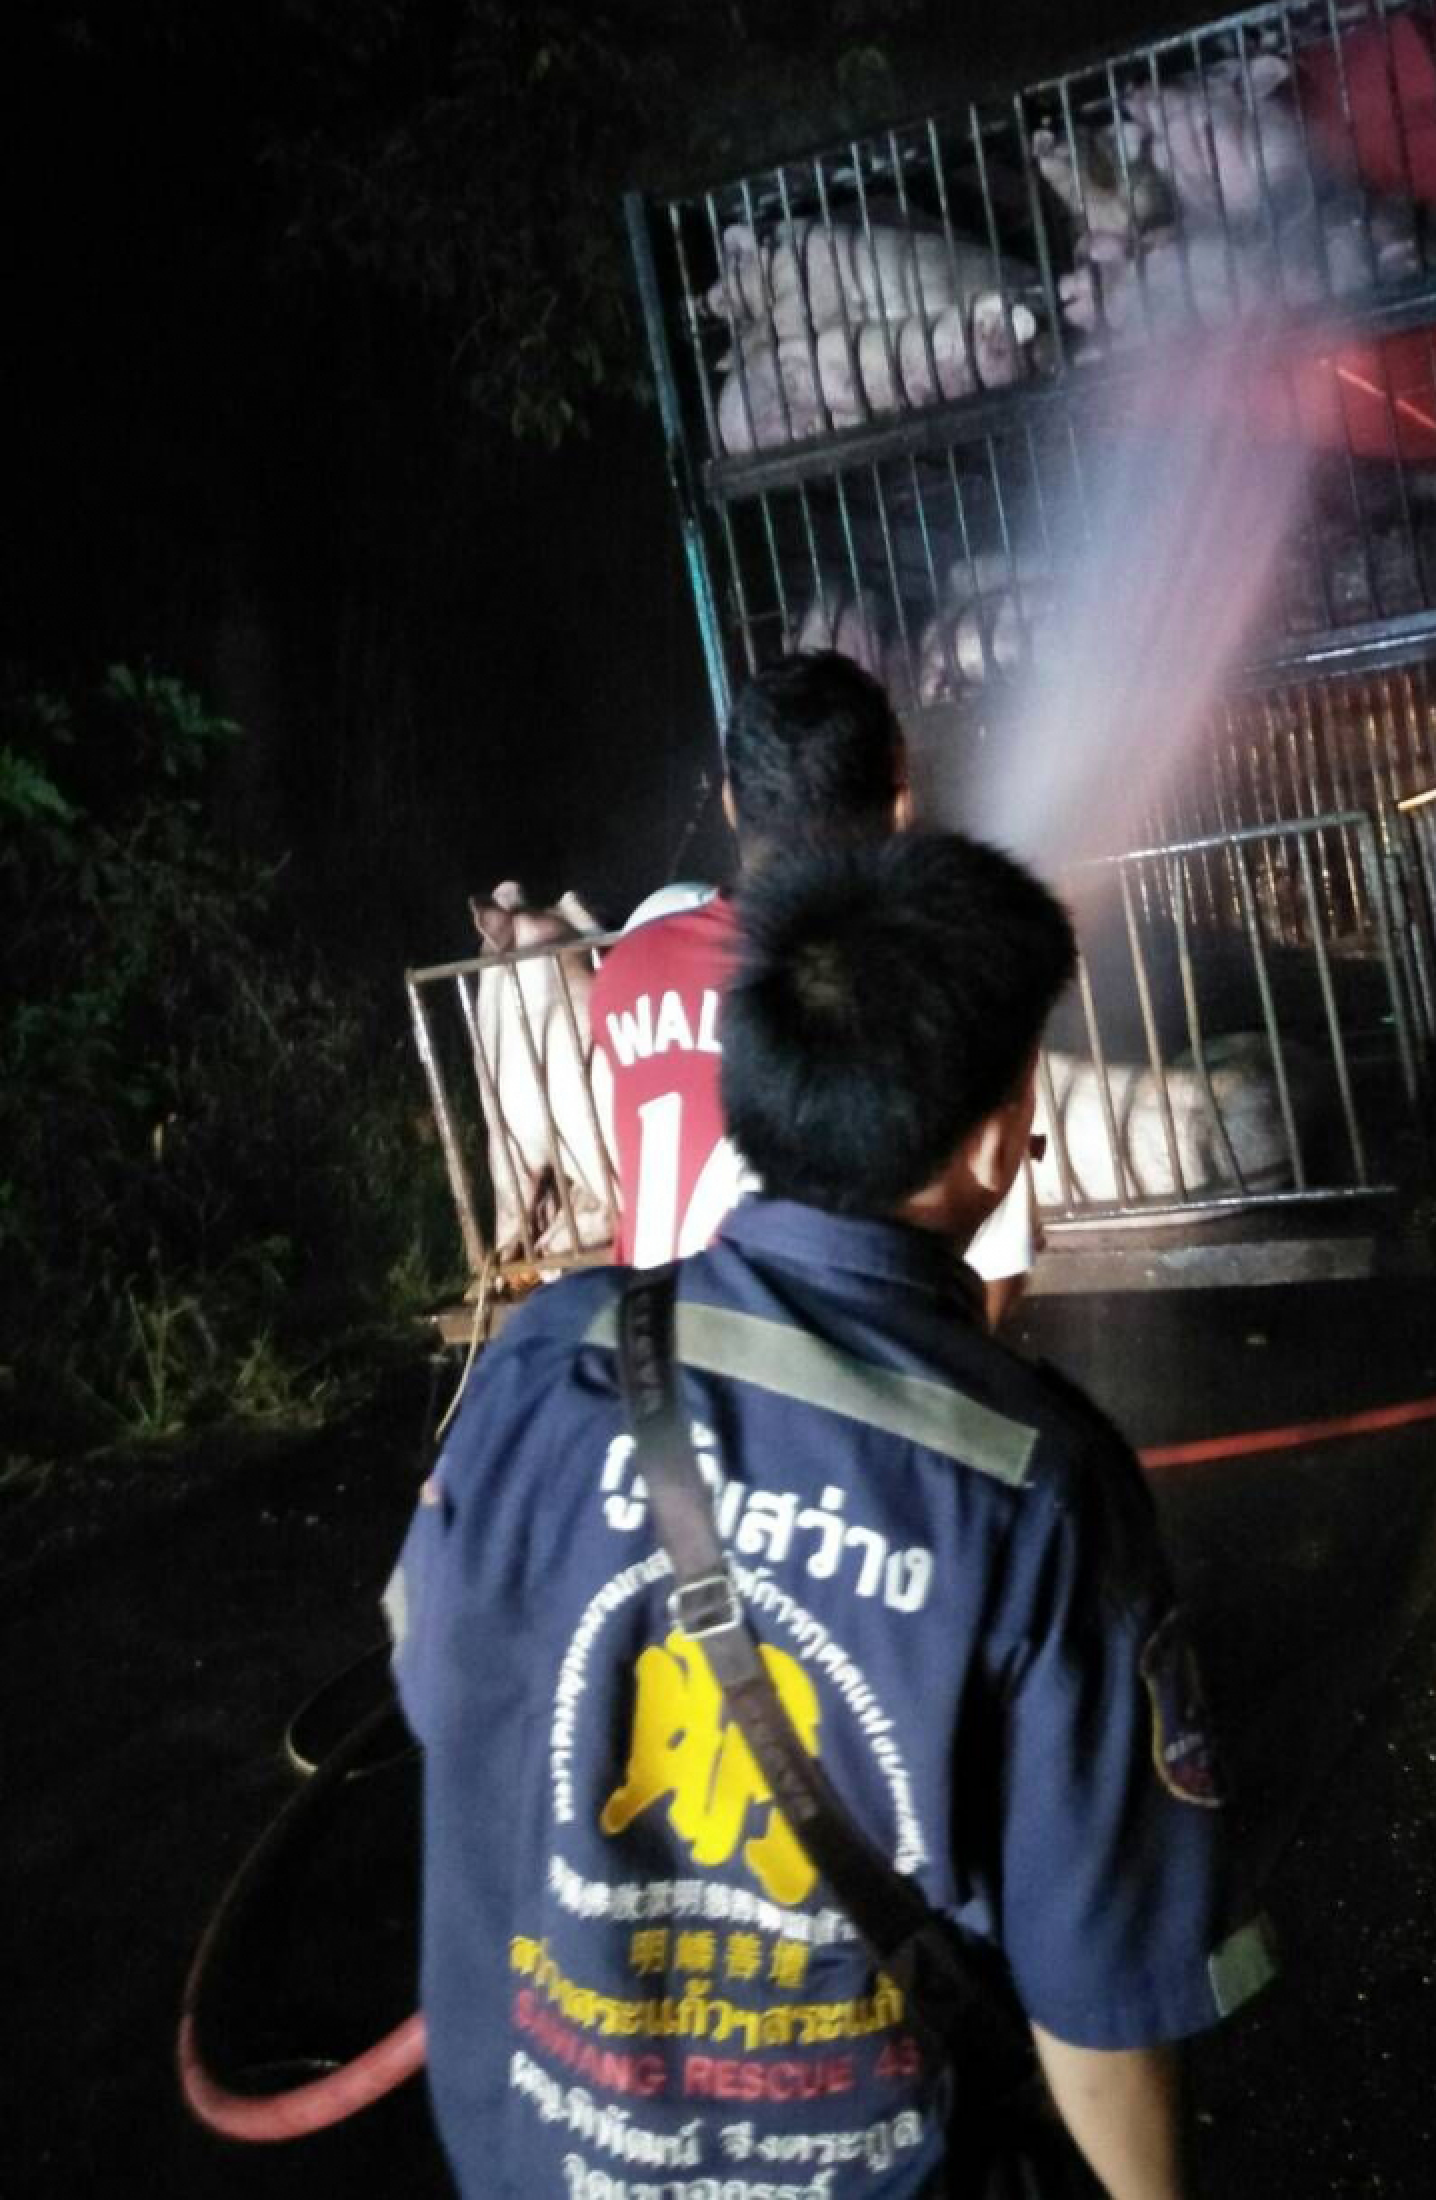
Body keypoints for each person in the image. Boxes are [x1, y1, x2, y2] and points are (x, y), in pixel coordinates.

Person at [388, 832, 1272, 2198]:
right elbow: (1103, 2015)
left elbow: (435, 1683)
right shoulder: (1035, 1488)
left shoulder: (541, 1361)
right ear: (993, 1142)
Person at [591, 650, 1034, 1323]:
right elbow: (992, 1283)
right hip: (801, 1400)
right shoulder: (924, 987)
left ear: (733, 804)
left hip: (647, 1382)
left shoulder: (628, 970)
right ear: (901, 793)